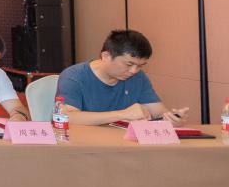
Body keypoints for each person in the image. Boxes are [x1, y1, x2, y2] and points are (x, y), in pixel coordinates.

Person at [56, 29, 188, 126]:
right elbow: (68, 116)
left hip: (125, 145)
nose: (134, 71)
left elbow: (159, 112)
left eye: (140, 66)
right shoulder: (74, 76)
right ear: (106, 56)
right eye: (129, 64)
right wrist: (122, 114)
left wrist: (172, 119)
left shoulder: (138, 78)